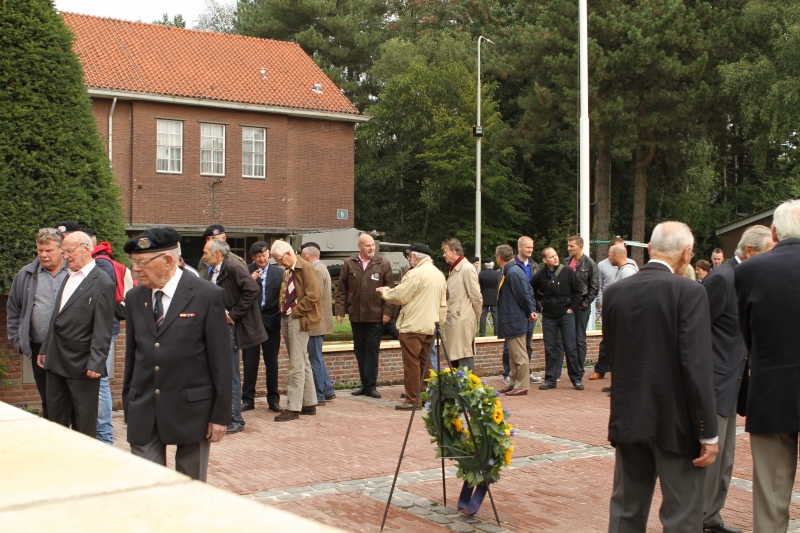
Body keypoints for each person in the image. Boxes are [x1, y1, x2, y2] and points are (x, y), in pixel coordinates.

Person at [605, 221, 718, 532]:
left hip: (629, 415)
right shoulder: (690, 292)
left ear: (651, 248)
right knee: (682, 514)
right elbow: (696, 365)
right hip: (676, 422)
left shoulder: (615, 293)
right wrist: (708, 431)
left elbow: (614, 354)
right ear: (686, 254)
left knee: (626, 510)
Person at [122, 228, 231, 482]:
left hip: (192, 410)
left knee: (190, 489)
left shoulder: (206, 295)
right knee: (147, 486)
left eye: (142, 262)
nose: (135, 269)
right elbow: (132, 355)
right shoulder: (135, 297)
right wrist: (129, 401)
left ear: (168, 260)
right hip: (144, 407)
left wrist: (219, 415)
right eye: (133, 262)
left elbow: (221, 361)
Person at [700, 225, 773, 533]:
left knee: (726, 459)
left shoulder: (748, 278)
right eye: (769, 252)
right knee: (710, 457)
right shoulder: (722, 278)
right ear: (750, 251)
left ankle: (711, 516)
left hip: (735, 382)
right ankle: (696, 517)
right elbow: (697, 329)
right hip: (715, 382)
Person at [736, 200, 800, 532]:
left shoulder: (749, 270)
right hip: (773, 387)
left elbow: (747, 332)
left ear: (774, 232)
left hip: (771, 389)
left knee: (771, 499)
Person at [37, 231, 115, 437]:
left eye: (69, 251)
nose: (65, 256)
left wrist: (96, 362)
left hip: (82, 363)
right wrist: (45, 348)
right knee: (55, 419)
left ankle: (84, 457)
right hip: (56, 359)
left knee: (84, 421)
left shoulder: (103, 282)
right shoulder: (68, 276)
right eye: (63, 252)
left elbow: (103, 327)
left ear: (86, 249)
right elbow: (56, 317)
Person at [202, 239, 266, 434]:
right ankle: (225, 416)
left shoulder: (231, 268)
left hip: (229, 328)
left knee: (230, 372)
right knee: (221, 371)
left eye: (206, 253)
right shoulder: (213, 271)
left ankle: (236, 419)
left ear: (217, 253)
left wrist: (233, 314)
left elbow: (252, 289)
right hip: (218, 327)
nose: (203, 257)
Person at [7, 228, 69, 419]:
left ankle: (75, 434)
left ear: (61, 250)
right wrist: (19, 340)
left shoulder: (74, 272)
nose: (43, 255)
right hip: (40, 347)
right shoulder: (26, 274)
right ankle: (52, 433)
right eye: (40, 250)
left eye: (49, 250)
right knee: (48, 398)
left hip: (70, 348)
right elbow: (14, 309)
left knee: (73, 398)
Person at [377, 243, 447, 410]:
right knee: (425, 362)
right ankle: (425, 397)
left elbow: (401, 295)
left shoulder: (416, 273)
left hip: (413, 325)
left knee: (411, 363)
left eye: (409, 256)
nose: (409, 260)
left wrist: (385, 291)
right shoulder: (438, 274)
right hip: (431, 325)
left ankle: (412, 399)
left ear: (415, 256)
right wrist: (439, 323)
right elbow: (443, 304)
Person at [334, 233, 395, 399]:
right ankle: (364, 383)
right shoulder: (349, 263)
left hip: (376, 315)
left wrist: (387, 312)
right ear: (359, 246)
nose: (371, 248)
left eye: (373, 245)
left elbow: (390, 289)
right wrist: (340, 310)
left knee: (372, 351)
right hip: (356, 315)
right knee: (359, 350)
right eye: (368, 245)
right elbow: (342, 289)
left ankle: (371, 386)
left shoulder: (383, 263)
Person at [270, 240, 321, 422]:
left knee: (296, 363)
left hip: (298, 318)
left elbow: (313, 295)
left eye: (279, 259)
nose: (279, 263)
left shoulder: (305, 268)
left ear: (288, 253)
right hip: (288, 316)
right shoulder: (288, 270)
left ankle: (293, 406)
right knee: (302, 360)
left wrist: (296, 312)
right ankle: (308, 402)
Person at [241, 241, 285, 413]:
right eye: (258, 256)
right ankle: (247, 399)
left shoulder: (279, 273)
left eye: (264, 255)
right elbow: (238, 295)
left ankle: (273, 400)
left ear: (268, 255)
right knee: (250, 363)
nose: (262, 259)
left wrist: (278, 317)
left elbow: (283, 296)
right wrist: (249, 281)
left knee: (271, 363)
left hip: (271, 322)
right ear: (253, 257)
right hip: (251, 322)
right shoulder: (245, 271)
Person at [531, 247, 583, 390]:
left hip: (565, 315)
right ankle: (550, 380)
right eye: (551, 256)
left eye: (556, 255)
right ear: (544, 260)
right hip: (549, 316)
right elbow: (531, 290)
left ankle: (576, 379)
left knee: (570, 347)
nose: (555, 258)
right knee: (550, 348)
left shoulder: (567, 272)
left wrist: (572, 308)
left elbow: (578, 290)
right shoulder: (540, 275)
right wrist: (539, 305)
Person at [90, 239, 122, 445]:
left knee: (101, 380)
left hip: (104, 330)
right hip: (104, 329)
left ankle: (104, 437)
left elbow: (103, 302)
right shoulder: (104, 261)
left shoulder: (101, 264)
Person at [494, 245, 537, 396]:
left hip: (515, 318)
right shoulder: (512, 270)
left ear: (499, 258)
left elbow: (524, 294)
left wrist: (529, 311)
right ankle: (513, 382)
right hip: (512, 318)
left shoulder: (512, 272)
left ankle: (522, 384)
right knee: (513, 355)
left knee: (519, 354)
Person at [590, 244, 637, 381]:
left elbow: (629, 296)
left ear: (616, 255)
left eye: (610, 255)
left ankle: (622, 380)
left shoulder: (627, 272)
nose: (608, 257)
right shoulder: (622, 270)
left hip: (623, 317)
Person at [300, 242, 336, 405]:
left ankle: (319, 394)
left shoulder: (316, 270)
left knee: (314, 358)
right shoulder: (322, 268)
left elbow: (314, 296)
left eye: (302, 255)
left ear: (306, 255)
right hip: (319, 321)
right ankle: (327, 390)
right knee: (317, 357)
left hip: (316, 322)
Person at [502, 236, 540, 385]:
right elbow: (519, 292)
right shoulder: (511, 266)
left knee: (527, 345)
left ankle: (524, 375)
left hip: (529, 310)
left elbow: (532, 289)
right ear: (519, 247)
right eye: (527, 247)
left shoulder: (534, 266)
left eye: (532, 247)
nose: (530, 250)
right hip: (517, 312)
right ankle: (509, 374)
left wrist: (534, 308)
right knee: (511, 346)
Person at [441, 239, 482, 370]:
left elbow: (476, 295)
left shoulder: (467, 268)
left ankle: (467, 383)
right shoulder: (456, 269)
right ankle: (456, 382)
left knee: (463, 354)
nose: (443, 255)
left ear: (454, 251)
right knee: (454, 356)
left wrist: (474, 315)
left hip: (461, 319)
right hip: (455, 318)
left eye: (445, 252)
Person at [566, 235, 599, 375]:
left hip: (581, 307)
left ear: (580, 246)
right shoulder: (566, 262)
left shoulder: (590, 264)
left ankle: (579, 370)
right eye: (568, 246)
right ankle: (571, 368)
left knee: (579, 339)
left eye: (572, 246)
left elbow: (594, 287)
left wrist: (584, 304)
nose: (569, 248)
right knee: (568, 339)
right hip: (567, 306)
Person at [478, 260, 500, 337]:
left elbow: (479, 285)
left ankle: (482, 333)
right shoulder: (498, 274)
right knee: (495, 315)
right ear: (493, 266)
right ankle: (497, 332)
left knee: (483, 315)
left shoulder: (481, 274)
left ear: (485, 266)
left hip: (484, 296)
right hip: (494, 296)